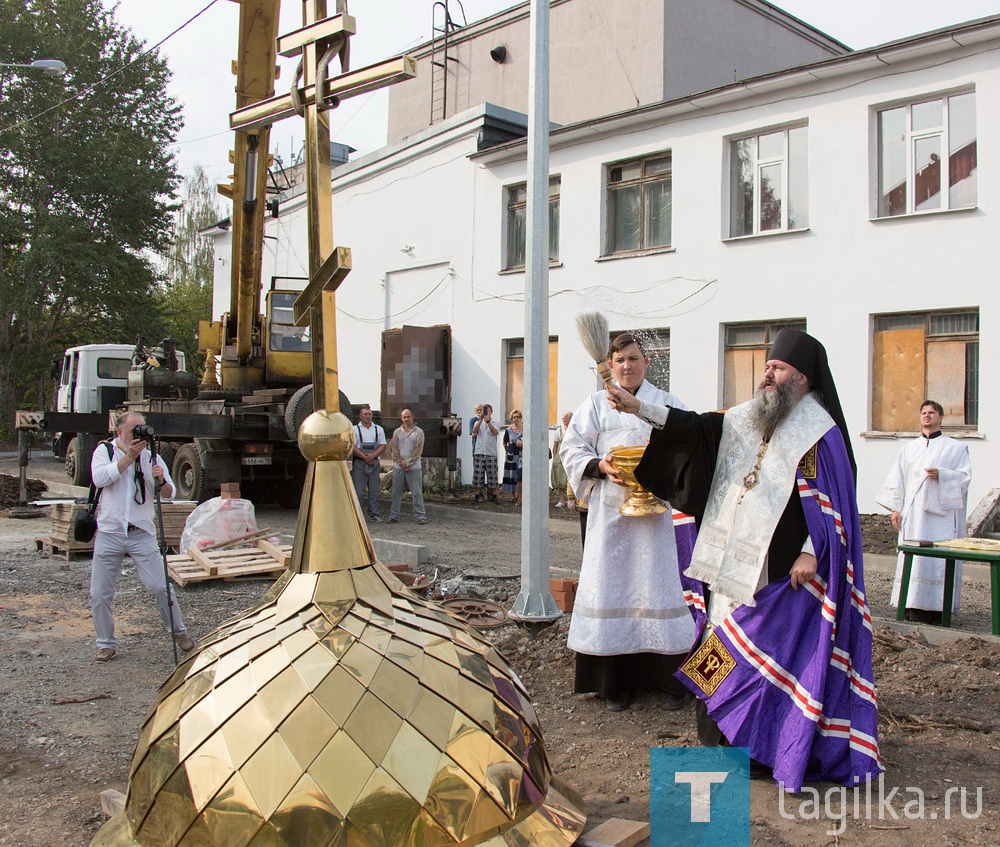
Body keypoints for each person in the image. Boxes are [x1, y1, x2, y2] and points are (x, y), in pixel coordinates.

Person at [628, 328, 879, 792]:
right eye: (767, 366)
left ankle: (763, 745)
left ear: (801, 379)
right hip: (732, 559)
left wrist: (809, 553)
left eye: (777, 368)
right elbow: (699, 428)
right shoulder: (751, 416)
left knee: (766, 652)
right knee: (720, 636)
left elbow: (827, 503)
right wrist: (641, 407)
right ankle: (719, 734)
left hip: (783, 569)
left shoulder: (816, 432)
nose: (767, 374)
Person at [560, 332, 695, 712]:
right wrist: (600, 465)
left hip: (657, 516)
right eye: (620, 360)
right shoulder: (595, 405)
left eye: (634, 359)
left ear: (646, 362)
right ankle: (613, 683)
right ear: (611, 365)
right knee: (612, 586)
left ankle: (669, 681)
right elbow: (572, 448)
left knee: (658, 585)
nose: (627, 366)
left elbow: (689, 439)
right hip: (612, 514)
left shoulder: (666, 403)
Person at [90, 412, 196, 663]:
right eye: (133, 430)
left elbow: (169, 494)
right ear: (119, 433)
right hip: (110, 531)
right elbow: (100, 478)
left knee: (159, 586)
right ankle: (105, 643)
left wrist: (160, 478)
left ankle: (179, 632)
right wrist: (129, 457)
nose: (138, 435)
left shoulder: (153, 458)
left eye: (142, 429)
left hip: (141, 532)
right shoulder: (104, 452)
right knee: (100, 592)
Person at [876, 400, 972, 625]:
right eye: (924, 412)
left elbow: (964, 478)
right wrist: (895, 509)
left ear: (941, 417)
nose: (927, 416)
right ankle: (910, 605)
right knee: (915, 559)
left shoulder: (955, 448)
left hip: (941, 519)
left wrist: (943, 475)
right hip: (913, 515)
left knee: (937, 561)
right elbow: (898, 480)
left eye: (932, 412)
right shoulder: (908, 449)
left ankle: (938, 610)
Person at [387, 408, 427, 524]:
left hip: (414, 468)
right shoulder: (397, 432)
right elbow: (394, 448)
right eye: (404, 417)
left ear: (412, 417)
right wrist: (401, 463)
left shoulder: (418, 432)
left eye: (408, 417)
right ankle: (393, 516)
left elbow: (418, 451)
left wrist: (408, 463)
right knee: (396, 492)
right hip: (398, 467)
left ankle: (420, 516)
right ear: (401, 418)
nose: (406, 419)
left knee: (416, 493)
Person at [351, 405, 387, 521]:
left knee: (374, 490)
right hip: (359, 464)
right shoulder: (354, 429)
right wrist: (363, 456)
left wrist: (372, 456)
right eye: (365, 414)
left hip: (374, 463)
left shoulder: (378, 429)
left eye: (369, 414)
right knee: (359, 491)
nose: (367, 416)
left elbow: (383, 445)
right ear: (360, 416)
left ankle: (374, 514)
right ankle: (357, 515)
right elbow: (352, 446)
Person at [472, 403, 499, 504]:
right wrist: (481, 419)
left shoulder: (495, 422)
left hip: (491, 453)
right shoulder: (477, 423)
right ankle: (476, 497)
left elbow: (495, 432)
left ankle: (494, 497)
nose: (485, 413)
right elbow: (474, 431)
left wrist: (488, 422)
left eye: (487, 411)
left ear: (491, 412)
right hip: (479, 452)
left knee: (492, 476)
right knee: (478, 476)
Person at [502, 410, 524, 505]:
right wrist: (507, 450)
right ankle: (513, 496)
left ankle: (520, 496)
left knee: (519, 475)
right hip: (511, 455)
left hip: (521, 454)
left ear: (520, 418)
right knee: (511, 475)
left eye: (518, 417)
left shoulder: (524, 429)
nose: (516, 419)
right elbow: (504, 442)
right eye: (514, 417)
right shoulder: (508, 430)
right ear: (511, 419)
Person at [551, 411, 571, 508]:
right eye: (562, 418)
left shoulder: (573, 430)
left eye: (565, 418)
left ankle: (572, 500)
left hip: (571, 457)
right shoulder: (559, 431)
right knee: (560, 479)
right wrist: (555, 458)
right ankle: (562, 500)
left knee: (571, 478)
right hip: (560, 458)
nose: (563, 420)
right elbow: (555, 445)